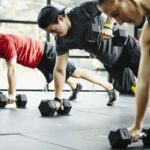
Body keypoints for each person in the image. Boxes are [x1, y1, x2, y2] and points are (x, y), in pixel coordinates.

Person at [0, 33, 117, 105]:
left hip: (45, 53)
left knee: (75, 73)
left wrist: (11, 94)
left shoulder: (5, 42)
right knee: (61, 74)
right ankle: (75, 86)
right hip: (38, 60)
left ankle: (109, 87)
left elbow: (12, 70)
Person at [98, 0, 150, 140]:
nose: (119, 23)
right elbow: (144, 81)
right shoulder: (147, 33)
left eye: (116, 13)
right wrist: (137, 126)